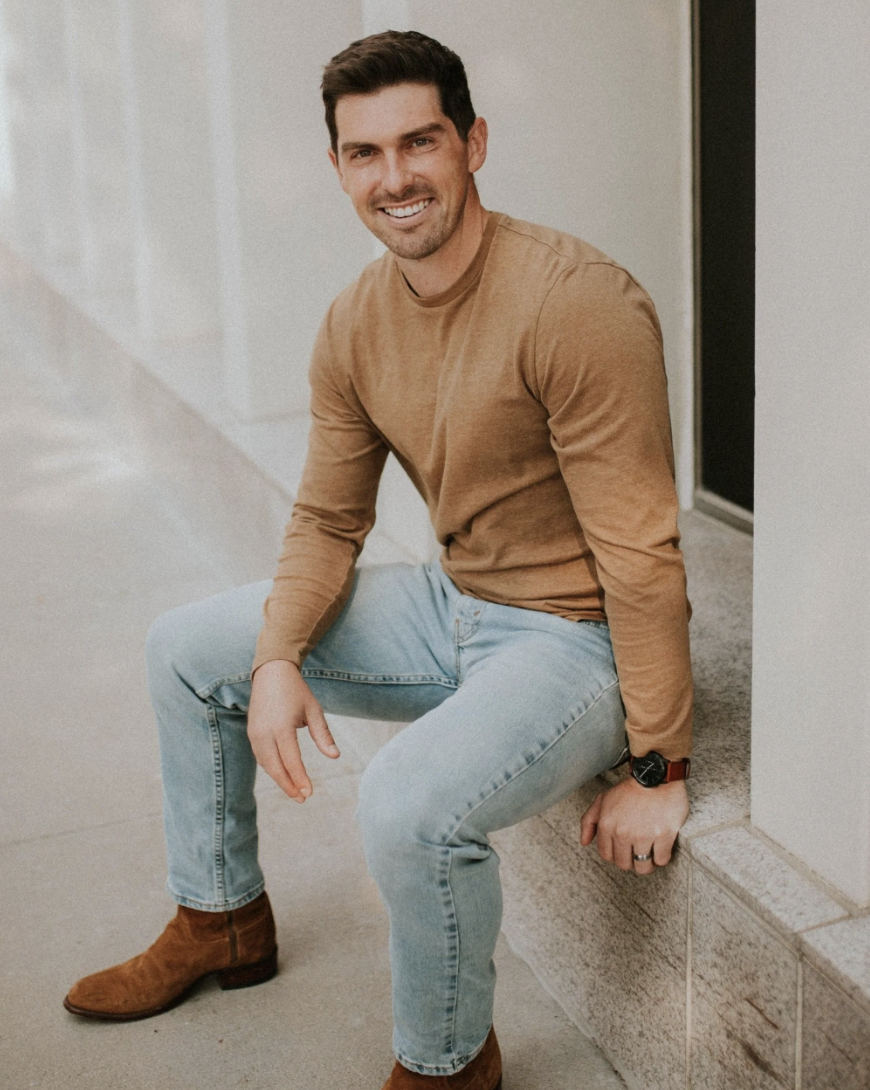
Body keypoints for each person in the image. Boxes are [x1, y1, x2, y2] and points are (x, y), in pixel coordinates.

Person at [63, 30, 692, 1090]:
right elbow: (324, 521)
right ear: (339, 168)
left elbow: (643, 548)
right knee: (188, 649)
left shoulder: (577, 299)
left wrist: (661, 765)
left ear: (473, 143)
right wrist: (275, 657)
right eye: (366, 153)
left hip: (576, 641)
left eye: (420, 142)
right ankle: (222, 919)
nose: (394, 178)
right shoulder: (355, 321)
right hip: (456, 606)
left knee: (405, 802)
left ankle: (451, 1065)